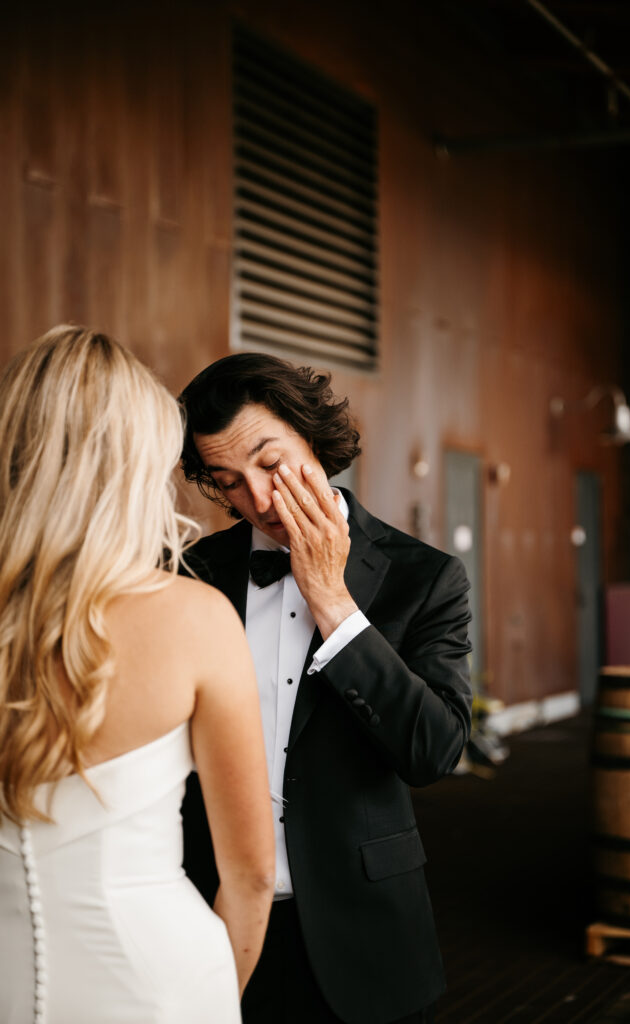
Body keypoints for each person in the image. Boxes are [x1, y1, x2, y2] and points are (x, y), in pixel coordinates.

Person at [179, 352, 473, 1024]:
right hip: (211, 919)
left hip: (366, 931)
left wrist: (333, 605)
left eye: (270, 464)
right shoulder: (190, 575)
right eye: (228, 481)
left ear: (311, 434)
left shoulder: (423, 578)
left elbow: (434, 751)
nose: (257, 501)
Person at [0, 327, 274, 1024]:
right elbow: (249, 877)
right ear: (131, 468)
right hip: (161, 989)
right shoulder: (196, 619)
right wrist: (208, 998)